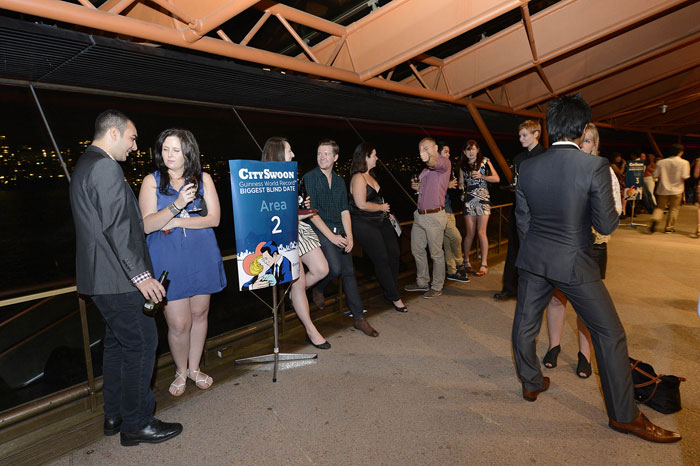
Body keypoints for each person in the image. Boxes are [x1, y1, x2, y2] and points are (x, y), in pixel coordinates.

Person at [512, 94, 680, 443]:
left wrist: (538, 248)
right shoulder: (595, 166)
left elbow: (523, 219)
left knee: (525, 325)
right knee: (610, 333)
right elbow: (605, 225)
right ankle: (624, 417)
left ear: (551, 127)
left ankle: (531, 383)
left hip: (534, 258)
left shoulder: (528, 167)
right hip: (574, 261)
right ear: (579, 128)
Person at [70, 110, 182, 446]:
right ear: (114, 133)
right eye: (132, 138)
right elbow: (118, 228)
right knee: (143, 343)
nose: (135, 146)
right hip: (118, 279)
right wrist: (142, 276)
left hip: (100, 279)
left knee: (119, 346)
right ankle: (137, 423)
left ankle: (115, 414)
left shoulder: (84, 165)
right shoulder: (105, 167)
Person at [139, 128, 227, 397]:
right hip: (168, 260)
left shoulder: (204, 179)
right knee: (178, 323)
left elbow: (214, 219)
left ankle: (194, 368)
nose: (169, 155)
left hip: (202, 255)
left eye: (175, 150)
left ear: (188, 152)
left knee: (200, 315)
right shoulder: (151, 181)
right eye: (165, 149)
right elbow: (146, 225)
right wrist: (177, 205)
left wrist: (177, 221)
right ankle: (180, 370)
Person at [542, 123, 621, 378]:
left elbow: (614, 211)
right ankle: (554, 346)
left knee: (587, 306)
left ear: (595, 145)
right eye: (581, 140)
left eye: (588, 141)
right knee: (556, 299)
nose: (583, 145)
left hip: (593, 248)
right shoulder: (565, 167)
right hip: (563, 245)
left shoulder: (604, 172)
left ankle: (584, 355)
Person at [303, 139, 379, 337]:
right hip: (320, 229)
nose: (322, 157)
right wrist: (332, 236)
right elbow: (311, 212)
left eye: (326, 154)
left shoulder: (338, 181)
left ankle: (359, 318)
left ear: (335, 157)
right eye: (319, 153)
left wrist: (350, 237)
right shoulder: (310, 177)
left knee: (348, 272)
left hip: (338, 230)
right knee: (334, 268)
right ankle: (318, 288)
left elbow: (345, 211)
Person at [261, 137, 330, 349]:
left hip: (300, 229)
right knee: (298, 283)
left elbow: (294, 207)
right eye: (289, 151)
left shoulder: (290, 178)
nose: (292, 155)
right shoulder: (263, 182)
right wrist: (295, 214)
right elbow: (269, 214)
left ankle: (294, 295)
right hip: (282, 234)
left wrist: (303, 205)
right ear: (278, 154)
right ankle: (311, 330)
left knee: (322, 269)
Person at [349, 143, 408, 312]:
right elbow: (361, 204)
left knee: (394, 253)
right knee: (381, 258)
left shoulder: (372, 176)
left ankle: (391, 291)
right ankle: (396, 297)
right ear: (365, 157)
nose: (377, 158)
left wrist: (384, 212)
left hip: (381, 220)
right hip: (364, 223)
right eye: (374, 155)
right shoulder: (358, 177)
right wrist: (382, 208)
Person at [494, 120, 544, 301]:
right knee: (514, 247)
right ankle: (510, 287)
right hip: (519, 209)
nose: (520, 138)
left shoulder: (545, 156)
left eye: (524, 135)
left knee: (536, 250)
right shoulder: (518, 159)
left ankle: (535, 290)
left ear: (536, 134)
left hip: (539, 211)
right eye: (520, 135)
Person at [404, 137, 451, 298]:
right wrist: (416, 186)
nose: (422, 151)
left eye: (426, 147)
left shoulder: (444, 162)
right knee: (417, 249)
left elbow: (434, 163)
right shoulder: (424, 170)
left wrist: (428, 158)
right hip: (420, 215)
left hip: (434, 216)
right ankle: (422, 282)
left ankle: (437, 286)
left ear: (435, 147)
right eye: (420, 149)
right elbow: (423, 186)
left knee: (436, 254)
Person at [458, 140, 500, 277]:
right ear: (465, 152)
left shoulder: (485, 161)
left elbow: (497, 178)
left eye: (473, 149)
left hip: (483, 199)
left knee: (482, 232)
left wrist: (482, 176)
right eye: (468, 149)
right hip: (469, 200)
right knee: (470, 233)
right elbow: (461, 183)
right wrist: (460, 187)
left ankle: (484, 264)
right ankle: (466, 262)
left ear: (477, 150)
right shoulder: (462, 166)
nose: (471, 151)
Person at [438, 142, 469, 283]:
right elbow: (431, 190)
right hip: (439, 210)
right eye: (445, 151)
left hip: (448, 207)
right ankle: (460, 263)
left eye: (449, 152)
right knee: (456, 237)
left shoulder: (446, 169)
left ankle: (451, 271)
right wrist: (447, 185)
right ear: (437, 153)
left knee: (449, 242)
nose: (448, 155)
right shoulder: (434, 169)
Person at [649, 143, 690, 234]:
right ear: (681, 152)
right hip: (677, 189)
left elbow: (655, 175)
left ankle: (655, 219)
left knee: (660, 207)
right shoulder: (684, 163)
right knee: (674, 209)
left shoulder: (661, 162)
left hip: (663, 188)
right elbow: (685, 176)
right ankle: (669, 227)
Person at [610, 153, 627, 218]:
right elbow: (619, 172)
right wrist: (623, 165)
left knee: (623, 196)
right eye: (617, 157)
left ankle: (623, 211)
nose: (619, 158)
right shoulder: (613, 165)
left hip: (621, 182)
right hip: (615, 182)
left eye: (620, 157)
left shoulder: (618, 165)